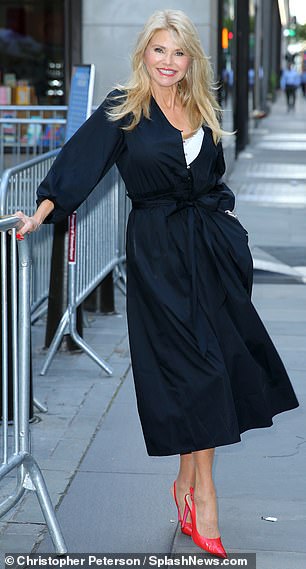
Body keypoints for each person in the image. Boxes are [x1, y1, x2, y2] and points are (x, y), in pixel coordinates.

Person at [15, 10, 299, 559]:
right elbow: (79, 164)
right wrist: (40, 212)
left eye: (179, 52)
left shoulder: (200, 106)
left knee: (215, 363)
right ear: (144, 53)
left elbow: (212, 180)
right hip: (159, 255)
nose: (168, 62)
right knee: (198, 369)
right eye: (159, 51)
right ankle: (205, 495)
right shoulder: (126, 108)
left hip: (211, 251)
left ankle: (187, 485)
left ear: (192, 58)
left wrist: (229, 227)